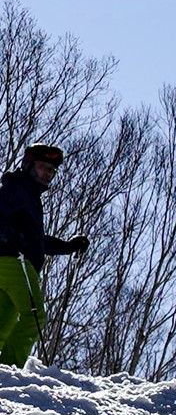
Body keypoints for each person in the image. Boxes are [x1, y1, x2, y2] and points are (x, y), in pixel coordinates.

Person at [0, 145, 90, 368]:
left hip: (10, 262)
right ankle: (8, 368)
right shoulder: (15, 190)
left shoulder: (27, 195)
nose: (48, 173)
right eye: (43, 167)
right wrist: (10, 235)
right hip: (14, 262)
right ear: (29, 166)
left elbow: (35, 241)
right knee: (34, 316)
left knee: (4, 321)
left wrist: (67, 246)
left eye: (51, 170)